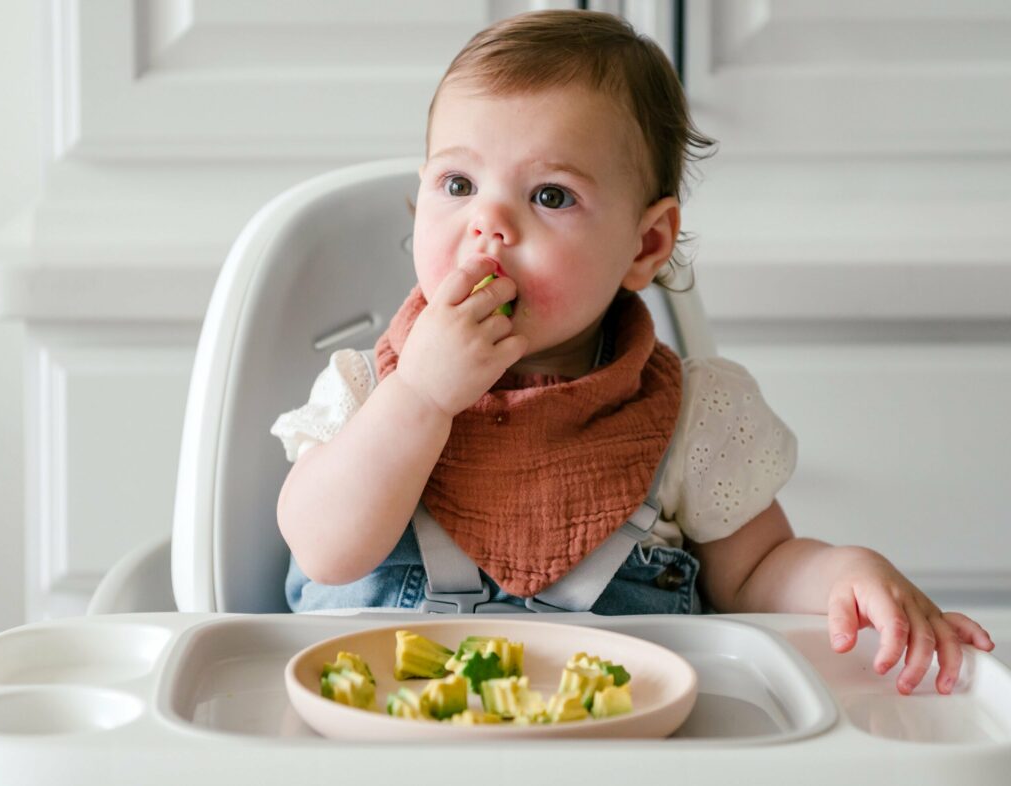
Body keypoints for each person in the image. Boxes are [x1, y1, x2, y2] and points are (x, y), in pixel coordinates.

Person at [272, 10, 993, 694]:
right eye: (457, 184)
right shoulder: (370, 387)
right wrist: (420, 398)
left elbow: (757, 572)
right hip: (386, 741)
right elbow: (325, 552)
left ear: (646, 244)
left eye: (550, 196)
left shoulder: (689, 414)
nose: (487, 223)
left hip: (621, 745)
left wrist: (845, 573)